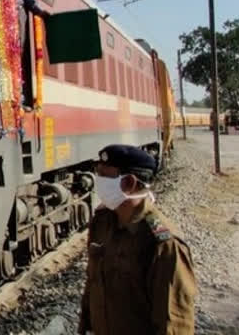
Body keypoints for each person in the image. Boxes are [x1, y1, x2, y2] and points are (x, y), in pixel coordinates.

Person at [78, 144, 197, 335]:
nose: (97, 180)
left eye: (104, 175)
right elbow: (93, 284)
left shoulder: (163, 244)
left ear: (129, 183)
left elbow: (174, 321)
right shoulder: (103, 222)